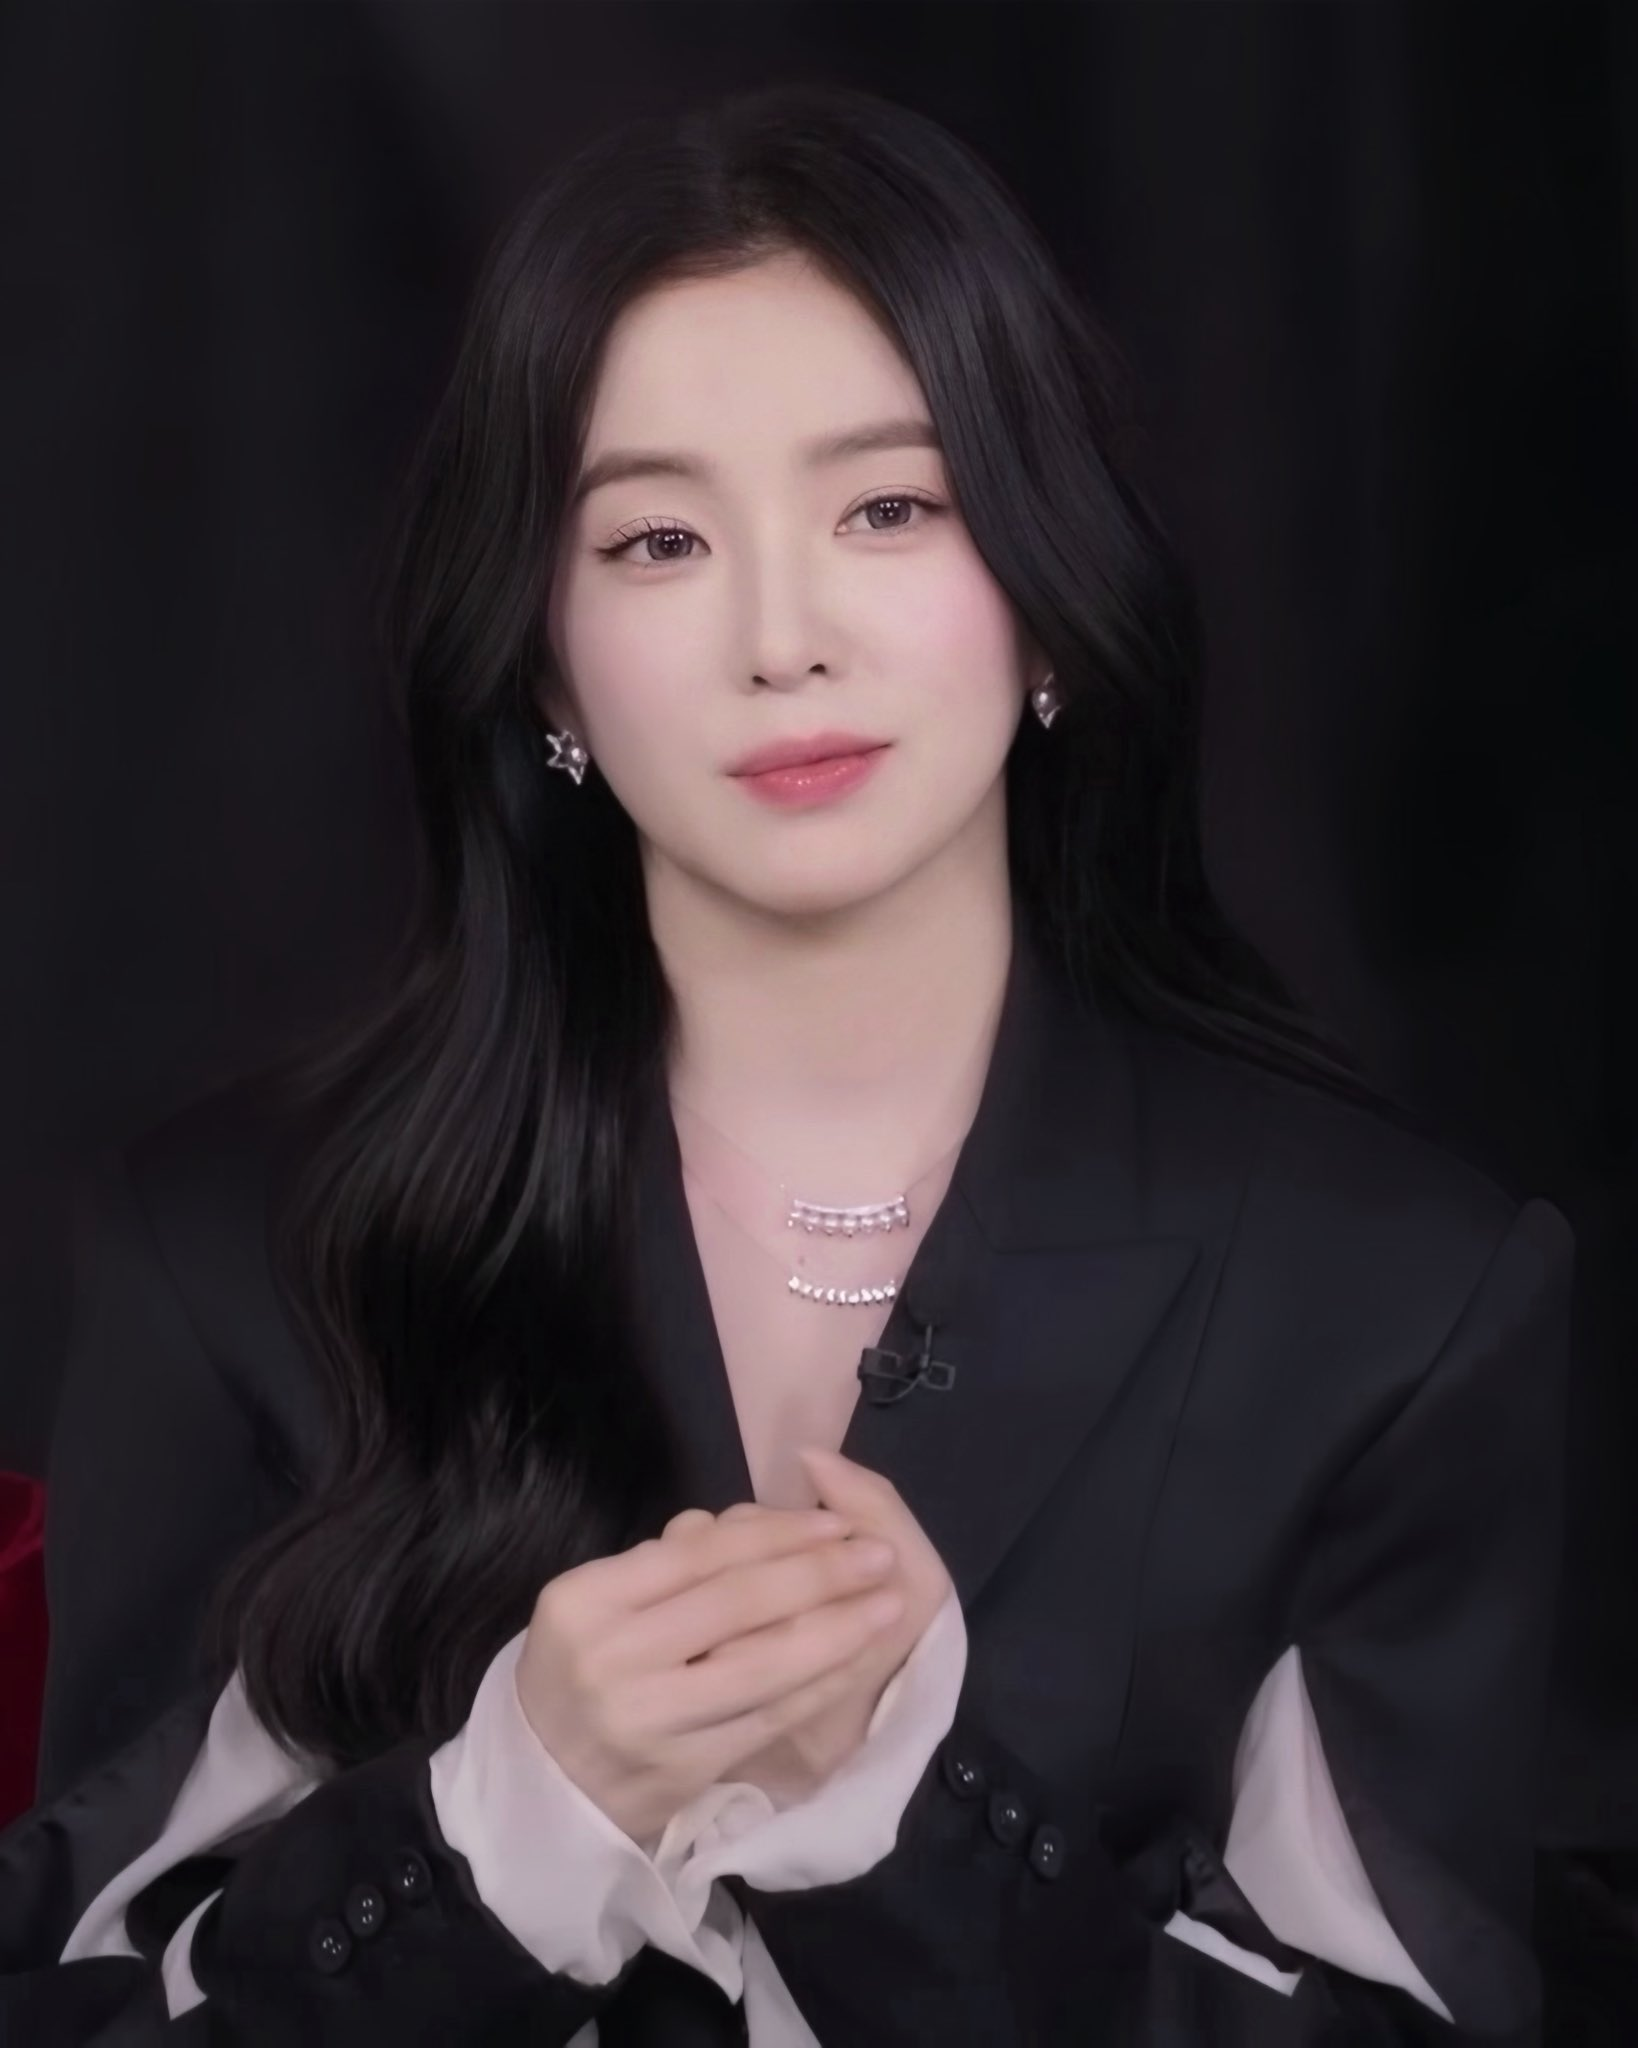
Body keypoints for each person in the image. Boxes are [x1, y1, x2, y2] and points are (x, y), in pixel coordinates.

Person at [0, 80, 1573, 2046]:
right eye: (658, 538)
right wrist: (504, 1826)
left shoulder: (1392, 1298)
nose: (781, 637)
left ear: (1047, 595)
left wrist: (901, 1817)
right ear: (548, 666)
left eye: (888, 507)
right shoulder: (230, 1257)